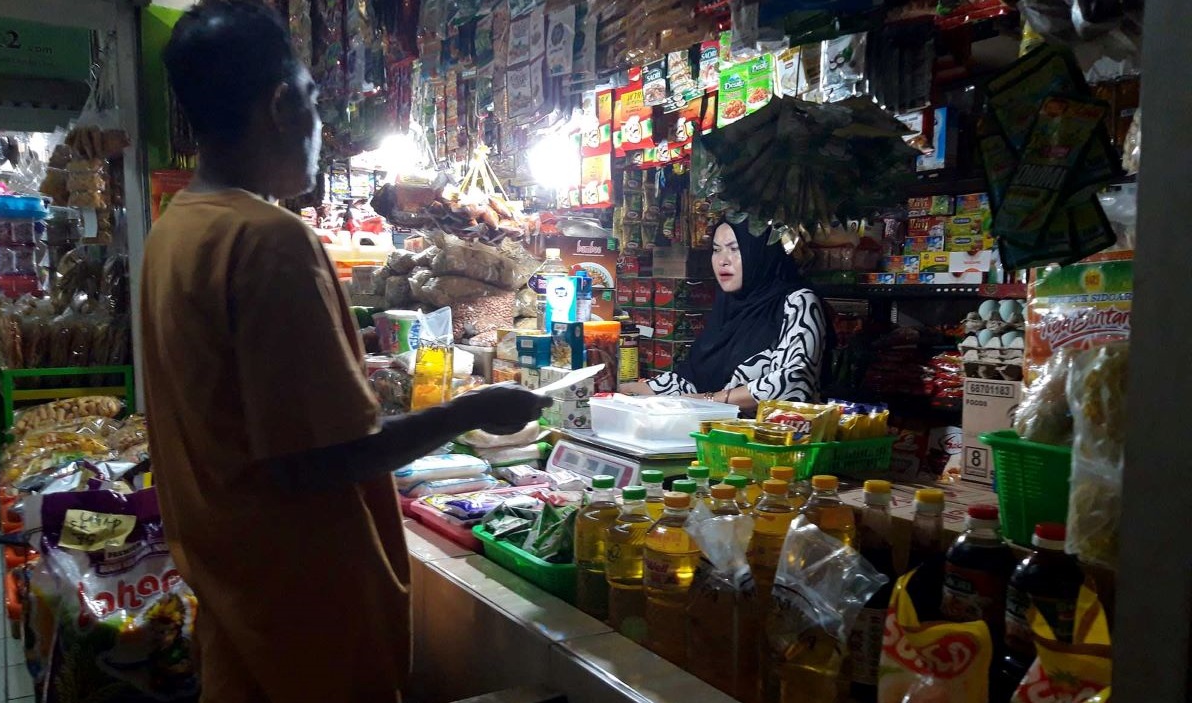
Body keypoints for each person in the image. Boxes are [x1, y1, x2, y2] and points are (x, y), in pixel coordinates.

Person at [141, 4, 548, 701]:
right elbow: (328, 457)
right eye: (314, 100)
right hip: (307, 631)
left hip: (243, 617)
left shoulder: (173, 232)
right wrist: (473, 409)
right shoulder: (270, 240)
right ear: (280, 104)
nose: (320, 124)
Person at [621, 215, 827, 413]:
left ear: (759, 252)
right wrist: (627, 391)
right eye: (716, 250)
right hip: (718, 441)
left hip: (781, 442)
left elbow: (794, 380)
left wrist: (710, 400)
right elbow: (692, 381)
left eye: (734, 249)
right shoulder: (727, 307)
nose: (722, 260)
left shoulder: (798, 301)